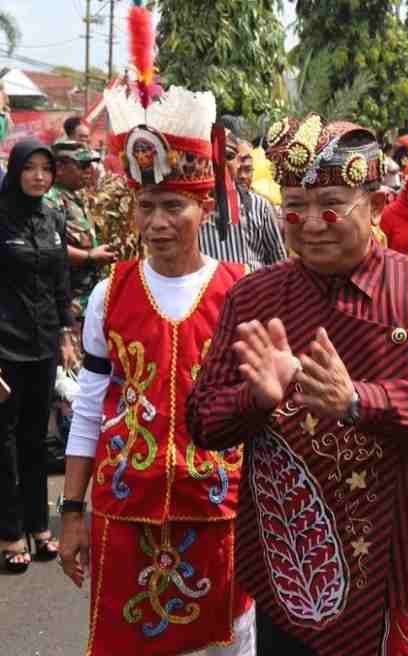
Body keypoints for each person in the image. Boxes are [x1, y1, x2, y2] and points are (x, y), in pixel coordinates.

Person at [186, 112, 408, 656]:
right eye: (294, 207)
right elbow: (203, 420)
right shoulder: (254, 298)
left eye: (329, 205)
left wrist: (359, 401)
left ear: (375, 206)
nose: (311, 223)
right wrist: (255, 399)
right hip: (295, 572)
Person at [56, 83, 254, 656]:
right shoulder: (108, 294)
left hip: (220, 517)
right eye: (148, 207)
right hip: (125, 517)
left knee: (227, 645)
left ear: (206, 208)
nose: (159, 222)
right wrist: (73, 512)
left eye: (175, 206)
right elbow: (90, 410)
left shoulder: (241, 291)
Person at [0, 138, 71, 573]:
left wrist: (65, 332)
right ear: (16, 170)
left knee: (34, 439)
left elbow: (60, 277)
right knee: (3, 442)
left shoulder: (53, 215)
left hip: (42, 342)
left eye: (46, 168)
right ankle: (10, 532)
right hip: (4, 343)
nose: (39, 176)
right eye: (31, 168)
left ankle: (38, 525)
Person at [197, 130, 287, 270]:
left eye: (228, 156)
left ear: (238, 161)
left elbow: (279, 267)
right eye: (211, 156)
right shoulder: (190, 211)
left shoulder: (259, 206)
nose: (220, 163)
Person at [51, 140, 117, 318]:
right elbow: (49, 246)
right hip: (69, 303)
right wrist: (89, 256)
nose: (89, 170)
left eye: (91, 164)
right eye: (83, 165)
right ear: (59, 167)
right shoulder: (50, 200)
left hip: (88, 299)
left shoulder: (76, 194)